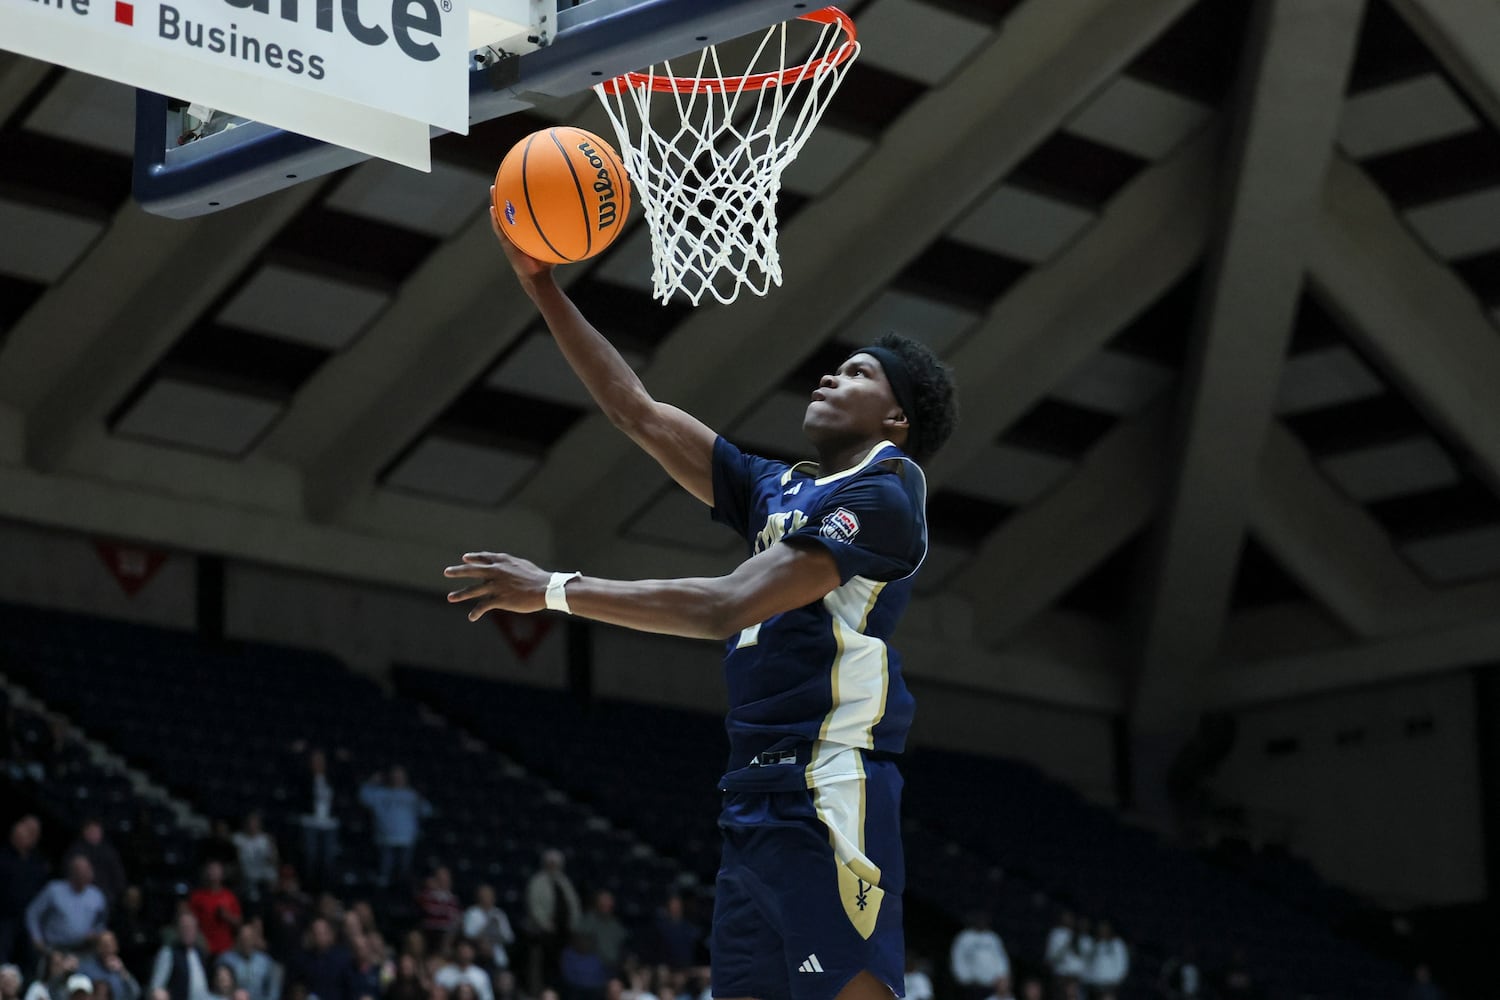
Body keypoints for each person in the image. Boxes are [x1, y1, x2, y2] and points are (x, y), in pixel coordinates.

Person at [450, 201, 957, 1000]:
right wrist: (542, 283)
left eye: (859, 373)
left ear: (896, 418)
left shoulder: (890, 492)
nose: (831, 374)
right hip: (750, 795)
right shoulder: (781, 487)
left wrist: (551, 591)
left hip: (826, 787)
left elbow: (725, 606)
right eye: (837, 365)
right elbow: (638, 414)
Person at [359, 768, 432, 889]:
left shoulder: (412, 795)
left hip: (407, 839)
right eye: (395, 775)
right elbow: (363, 797)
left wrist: (420, 799)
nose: (398, 778)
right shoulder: (380, 793)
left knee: (404, 873)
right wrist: (371, 782)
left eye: (400, 775)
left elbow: (427, 811)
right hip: (385, 839)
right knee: (384, 875)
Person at [27, 856, 109, 956]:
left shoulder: (96, 895)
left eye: (88, 870)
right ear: (72, 873)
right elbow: (33, 913)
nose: (86, 874)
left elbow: (101, 921)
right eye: (81, 871)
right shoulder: (54, 890)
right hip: (54, 950)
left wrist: (96, 933)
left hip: (83, 950)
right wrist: (36, 938)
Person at [522, 851, 579, 994]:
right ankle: (539, 993)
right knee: (541, 967)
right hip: (542, 934)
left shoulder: (564, 882)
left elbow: (573, 905)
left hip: (563, 934)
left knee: (560, 967)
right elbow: (534, 906)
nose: (553, 866)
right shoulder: (537, 881)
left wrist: (573, 925)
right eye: (551, 863)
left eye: (556, 863)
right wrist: (545, 924)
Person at [0, 817, 48, 969]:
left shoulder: (38, 860)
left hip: (30, 917)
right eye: (29, 832)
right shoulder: (3, 857)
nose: (33, 837)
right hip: (5, 916)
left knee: (32, 958)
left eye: (35, 834)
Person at [289, 918, 359, 1000]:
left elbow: (351, 987)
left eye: (322, 933)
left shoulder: (343, 958)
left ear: (330, 935)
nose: (319, 937)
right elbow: (297, 986)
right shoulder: (303, 960)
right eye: (315, 933)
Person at [64, 822, 127, 911]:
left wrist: (116, 892)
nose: (94, 834)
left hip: (105, 894)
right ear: (85, 832)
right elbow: (68, 873)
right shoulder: (76, 850)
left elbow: (118, 874)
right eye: (92, 831)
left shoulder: (109, 851)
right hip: (80, 893)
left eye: (97, 832)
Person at [148, 912, 212, 1000]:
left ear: (196, 930)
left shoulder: (200, 952)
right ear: (178, 930)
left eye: (191, 927)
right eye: (184, 927)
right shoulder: (168, 952)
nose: (188, 931)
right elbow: (156, 988)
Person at [187, 864, 242, 958]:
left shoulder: (229, 896)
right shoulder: (197, 897)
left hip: (225, 948)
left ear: (222, 874)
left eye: (216, 870)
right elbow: (189, 920)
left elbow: (239, 922)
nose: (213, 873)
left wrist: (227, 916)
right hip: (202, 947)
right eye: (211, 870)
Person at [950, 913, 1009, 1000]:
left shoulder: (992, 938)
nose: (981, 922)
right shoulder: (965, 937)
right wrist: (964, 978)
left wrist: (1002, 976)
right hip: (971, 985)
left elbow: (1001, 959)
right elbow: (958, 959)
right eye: (979, 920)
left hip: (991, 984)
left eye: (983, 920)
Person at [214, 927, 280, 1000]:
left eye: (250, 939)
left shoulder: (265, 961)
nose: (247, 942)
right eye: (243, 939)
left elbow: (273, 992)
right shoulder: (225, 959)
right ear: (237, 939)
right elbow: (218, 988)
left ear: (254, 940)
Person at [462, 887, 516, 973]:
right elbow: (468, 936)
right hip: (477, 958)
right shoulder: (472, 913)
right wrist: (488, 927)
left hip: (498, 958)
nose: (487, 898)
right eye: (484, 895)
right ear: (478, 897)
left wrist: (496, 933)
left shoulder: (499, 914)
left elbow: (509, 938)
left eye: (489, 895)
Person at [570, 893, 624, 978]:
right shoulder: (587, 921)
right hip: (592, 966)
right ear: (597, 903)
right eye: (603, 903)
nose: (606, 905)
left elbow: (622, 943)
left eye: (609, 903)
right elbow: (579, 943)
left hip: (614, 967)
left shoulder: (615, 924)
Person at [231, 816, 278, 909]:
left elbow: (274, 861)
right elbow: (235, 861)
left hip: (266, 879)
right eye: (250, 822)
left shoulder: (266, 839)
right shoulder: (238, 838)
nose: (252, 825)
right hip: (247, 878)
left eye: (255, 822)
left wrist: (272, 849)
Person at [77, 933, 141, 1000]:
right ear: (98, 948)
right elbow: (76, 993)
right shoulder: (86, 967)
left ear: (116, 947)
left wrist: (123, 971)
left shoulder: (120, 969)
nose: (108, 949)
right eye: (104, 945)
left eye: (111, 945)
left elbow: (135, 993)